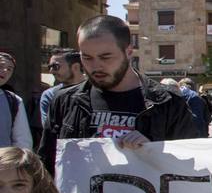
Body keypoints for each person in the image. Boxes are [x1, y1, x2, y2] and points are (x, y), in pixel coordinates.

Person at [40, 15, 199, 171]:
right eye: (87, 58)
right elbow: (47, 164)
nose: (96, 66)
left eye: (105, 57)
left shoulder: (168, 103)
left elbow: (192, 165)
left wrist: (154, 151)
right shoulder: (64, 101)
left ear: (129, 52)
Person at [39, 50, 84, 127]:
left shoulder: (96, 92)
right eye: (50, 67)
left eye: (55, 66)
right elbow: (50, 129)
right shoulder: (50, 95)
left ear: (75, 67)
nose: (51, 71)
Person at [0, 51, 32, 150]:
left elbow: (22, 141)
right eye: (0, 66)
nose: (5, 70)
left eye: (9, 69)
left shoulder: (14, 101)